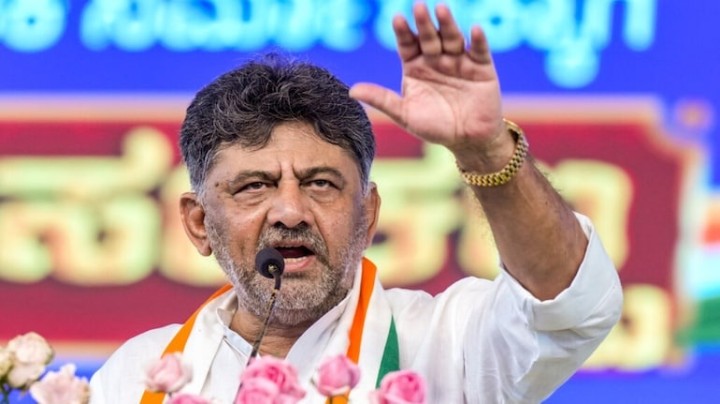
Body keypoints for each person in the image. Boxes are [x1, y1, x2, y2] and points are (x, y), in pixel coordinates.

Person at [90, 3, 622, 403]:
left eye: (321, 183)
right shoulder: (138, 374)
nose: (291, 212)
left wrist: (486, 152)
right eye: (254, 186)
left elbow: (568, 304)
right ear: (198, 223)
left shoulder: (444, 341)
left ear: (367, 215)